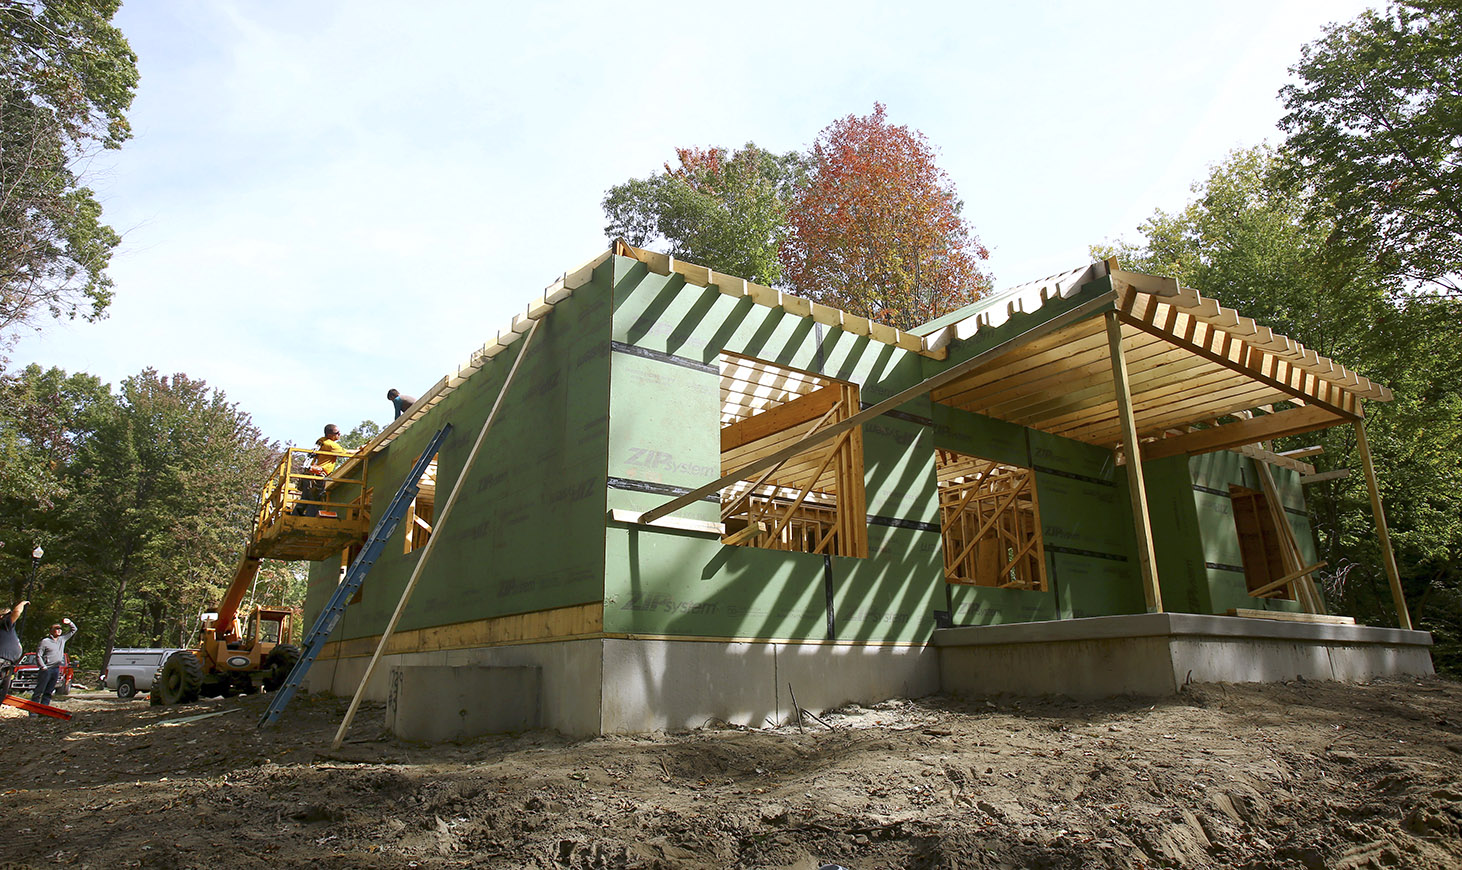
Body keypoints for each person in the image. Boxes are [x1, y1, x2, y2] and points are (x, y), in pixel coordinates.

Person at [297, 424, 351, 517]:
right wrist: (359, 449)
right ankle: (309, 519)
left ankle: (296, 515)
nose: (339, 434)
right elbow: (346, 452)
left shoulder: (321, 440)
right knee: (315, 500)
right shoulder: (330, 444)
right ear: (330, 435)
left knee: (305, 498)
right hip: (317, 475)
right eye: (337, 433)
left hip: (310, 473)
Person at [30, 616, 75, 707]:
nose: (59, 631)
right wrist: (43, 666)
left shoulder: (62, 639)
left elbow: (74, 630)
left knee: (49, 691)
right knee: (40, 690)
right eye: (56, 629)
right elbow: (38, 655)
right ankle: (33, 708)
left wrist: (69, 623)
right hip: (47, 669)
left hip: (56, 668)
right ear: (51, 631)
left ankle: (44, 708)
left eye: (60, 629)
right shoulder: (45, 641)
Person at [0, 600, 27, 698]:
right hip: (2, 661)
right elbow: (17, 612)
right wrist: (22, 604)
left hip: (7, 663)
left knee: (3, 691)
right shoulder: (4, 624)